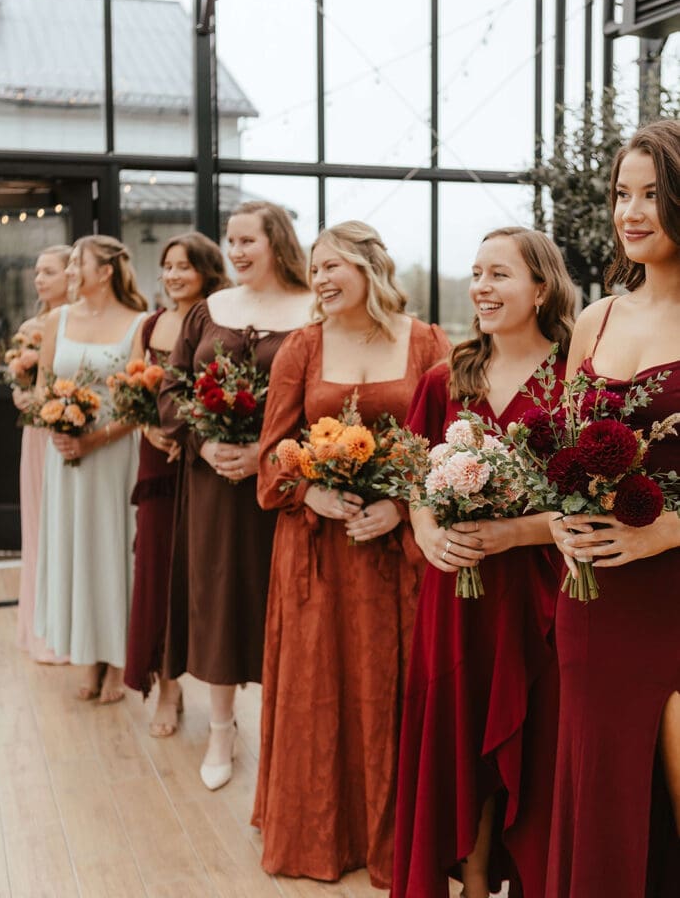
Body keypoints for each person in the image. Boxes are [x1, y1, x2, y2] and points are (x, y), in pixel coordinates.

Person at [252, 220, 450, 888]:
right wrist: (309, 493)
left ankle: (401, 844)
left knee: (394, 689)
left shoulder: (425, 343)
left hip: (399, 553)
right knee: (319, 691)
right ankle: (318, 835)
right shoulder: (300, 349)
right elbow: (271, 455)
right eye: (313, 269)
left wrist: (400, 505)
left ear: (370, 268)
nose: (321, 278)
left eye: (333, 264)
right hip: (317, 557)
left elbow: (448, 448)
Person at [392, 226, 576, 898]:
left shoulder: (575, 379)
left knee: (533, 743)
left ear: (540, 286)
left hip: (546, 596)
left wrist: (515, 534)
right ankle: (469, 881)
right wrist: (426, 531)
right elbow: (414, 480)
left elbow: (590, 502)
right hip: (457, 598)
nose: (480, 288)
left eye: (498, 274)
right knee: (459, 739)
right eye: (475, 274)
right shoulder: (446, 379)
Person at [546, 119, 680, 897]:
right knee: (599, 788)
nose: (630, 212)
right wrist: (562, 518)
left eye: (652, 194)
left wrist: (665, 530)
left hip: (672, 587)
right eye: (620, 194)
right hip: (592, 596)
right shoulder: (594, 318)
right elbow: (565, 449)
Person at [159, 201, 311, 788]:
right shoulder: (207, 310)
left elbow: (321, 396)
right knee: (219, 593)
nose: (237, 251)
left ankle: (282, 730)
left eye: (249, 240)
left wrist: (267, 456)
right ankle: (221, 728)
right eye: (231, 240)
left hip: (285, 486)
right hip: (212, 486)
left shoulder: (312, 310)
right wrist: (203, 444)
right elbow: (173, 386)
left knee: (282, 598)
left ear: (278, 242)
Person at [124, 232, 229, 736]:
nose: (172, 275)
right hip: (157, 459)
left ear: (207, 270)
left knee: (203, 576)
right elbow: (134, 391)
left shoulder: (219, 319)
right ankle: (166, 686)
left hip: (204, 460)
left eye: (184, 266)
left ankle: (222, 700)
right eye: (167, 266)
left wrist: (187, 435)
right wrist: (154, 429)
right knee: (156, 573)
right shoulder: (150, 324)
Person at [34, 236, 147, 704]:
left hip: (114, 450)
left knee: (113, 546)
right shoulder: (57, 319)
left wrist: (96, 435)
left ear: (107, 271)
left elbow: (142, 398)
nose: (72, 269)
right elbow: (42, 382)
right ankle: (85, 654)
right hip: (64, 450)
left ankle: (117, 658)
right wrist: (55, 423)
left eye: (80, 261)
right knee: (73, 547)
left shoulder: (139, 323)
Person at [12, 244, 71, 662]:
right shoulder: (32, 325)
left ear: (72, 275)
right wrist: (20, 392)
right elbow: (25, 381)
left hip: (69, 432)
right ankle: (40, 625)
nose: (39, 279)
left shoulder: (80, 325)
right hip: (36, 434)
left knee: (64, 525)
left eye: (48, 272)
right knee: (36, 522)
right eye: (37, 271)